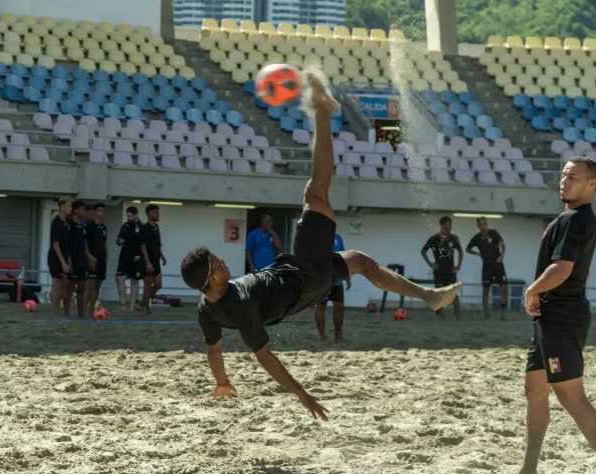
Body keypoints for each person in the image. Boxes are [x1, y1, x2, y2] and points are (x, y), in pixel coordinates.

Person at [179, 75, 461, 421]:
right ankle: (322, 111)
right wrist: (303, 395)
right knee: (315, 193)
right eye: (217, 262)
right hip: (303, 276)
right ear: (213, 277)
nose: (223, 260)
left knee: (360, 261)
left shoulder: (205, 307)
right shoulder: (240, 307)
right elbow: (266, 357)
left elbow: (214, 349)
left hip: (304, 285)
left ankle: (428, 296)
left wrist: (222, 382)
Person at [517, 156, 596, 474]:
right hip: (552, 315)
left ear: (591, 183)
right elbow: (581, 270)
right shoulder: (574, 218)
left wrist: (532, 290)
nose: (564, 182)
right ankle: (529, 468)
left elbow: (563, 269)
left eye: (573, 177)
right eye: (564, 176)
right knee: (535, 390)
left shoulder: (578, 218)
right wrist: (543, 295)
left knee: (570, 395)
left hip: (561, 319)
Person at [420, 216, 463, 319]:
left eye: (451, 224)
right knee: (439, 293)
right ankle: (440, 316)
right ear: (442, 225)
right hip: (439, 270)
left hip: (450, 270)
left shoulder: (454, 238)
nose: (450, 226)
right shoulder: (434, 239)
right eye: (448, 224)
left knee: (453, 294)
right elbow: (423, 251)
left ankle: (458, 317)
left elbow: (460, 252)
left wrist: (458, 266)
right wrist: (430, 264)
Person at [466, 216, 508, 320]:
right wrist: (478, 254)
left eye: (485, 223)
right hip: (487, 266)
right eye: (481, 224)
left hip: (498, 264)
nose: (483, 225)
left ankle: (503, 314)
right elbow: (468, 249)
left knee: (503, 288)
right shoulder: (477, 237)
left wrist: (501, 256)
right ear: (478, 226)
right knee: (485, 290)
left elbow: (503, 245)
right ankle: (487, 314)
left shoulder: (493, 232)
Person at [314, 232, 351, 342]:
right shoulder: (317, 238)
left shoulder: (338, 237)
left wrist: (347, 277)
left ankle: (338, 336)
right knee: (320, 307)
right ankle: (322, 337)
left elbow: (343, 258)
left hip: (337, 279)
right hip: (323, 279)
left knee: (339, 306)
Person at [116, 206, 143, 311]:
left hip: (136, 258)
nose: (128, 217)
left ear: (136, 215)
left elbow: (144, 244)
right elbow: (118, 240)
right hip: (124, 256)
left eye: (130, 216)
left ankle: (132, 306)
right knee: (119, 278)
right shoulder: (125, 226)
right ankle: (123, 304)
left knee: (134, 281)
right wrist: (119, 241)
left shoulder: (141, 227)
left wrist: (140, 255)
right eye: (127, 215)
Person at [48, 198, 72, 317]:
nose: (70, 208)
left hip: (64, 257)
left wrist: (69, 261)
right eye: (68, 206)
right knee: (57, 284)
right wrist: (62, 262)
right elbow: (55, 244)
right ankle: (54, 313)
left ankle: (59, 312)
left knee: (64, 284)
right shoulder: (56, 222)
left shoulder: (66, 223)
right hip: (55, 258)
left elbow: (66, 245)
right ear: (62, 207)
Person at [140, 204, 166, 313]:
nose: (158, 214)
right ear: (150, 214)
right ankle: (146, 309)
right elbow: (143, 247)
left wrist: (162, 256)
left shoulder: (156, 227)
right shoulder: (145, 229)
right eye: (156, 212)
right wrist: (147, 263)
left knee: (158, 285)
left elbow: (158, 244)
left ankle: (142, 303)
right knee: (147, 286)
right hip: (148, 262)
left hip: (156, 261)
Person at [66, 200, 89, 318]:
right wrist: (68, 261)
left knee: (82, 286)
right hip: (73, 260)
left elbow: (84, 244)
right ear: (75, 210)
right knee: (70, 287)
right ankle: (66, 313)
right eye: (82, 210)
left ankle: (81, 313)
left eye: (85, 210)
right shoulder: (69, 224)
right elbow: (66, 245)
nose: (84, 212)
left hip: (82, 260)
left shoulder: (83, 224)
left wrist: (89, 257)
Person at [85, 203, 108, 313]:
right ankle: (82, 309)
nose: (101, 213)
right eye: (99, 210)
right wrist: (89, 256)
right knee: (89, 285)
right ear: (94, 212)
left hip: (101, 260)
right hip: (91, 260)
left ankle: (90, 309)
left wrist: (106, 255)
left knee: (97, 286)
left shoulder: (104, 227)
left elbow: (104, 243)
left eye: (103, 211)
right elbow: (84, 243)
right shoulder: (89, 226)